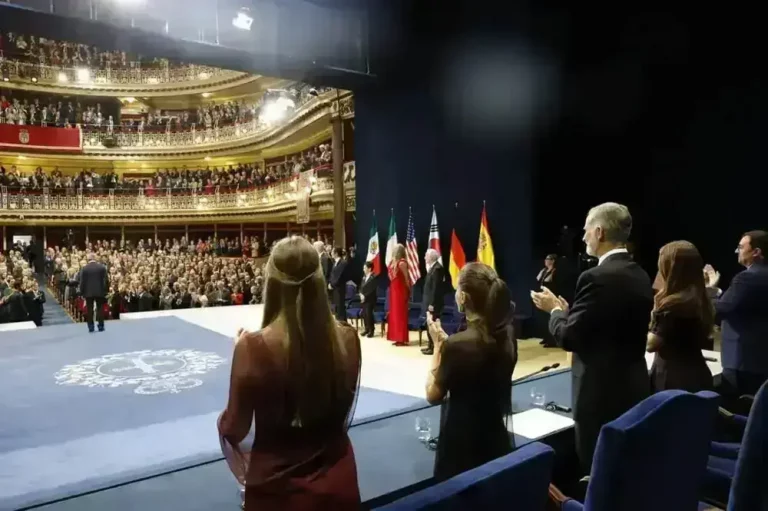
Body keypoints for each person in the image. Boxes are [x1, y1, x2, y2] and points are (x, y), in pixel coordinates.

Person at [218, 236, 362, 511]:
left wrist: (243, 361)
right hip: (338, 487)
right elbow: (337, 416)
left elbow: (234, 429)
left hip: (277, 494)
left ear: (271, 283)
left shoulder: (252, 349)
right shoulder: (348, 339)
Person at [531, 202, 653, 473]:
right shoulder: (640, 274)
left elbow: (570, 338)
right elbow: (606, 325)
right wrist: (568, 313)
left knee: (597, 473)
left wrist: (554, 311)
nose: (583, 237)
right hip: (633, 389)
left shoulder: (595, 277)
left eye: (586, 230)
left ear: (599, 232)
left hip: (599, 398)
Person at [425, 262, 517, 481]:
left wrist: (438, 347)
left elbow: (432, 394)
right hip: (494, 435)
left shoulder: (457, 346)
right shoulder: (508, 335)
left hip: (463, 444)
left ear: (463, 298)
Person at [705, 230, 768, 400]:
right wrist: (716, 290)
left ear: (756, 252)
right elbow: (740, 303)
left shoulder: (746, 278)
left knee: (734, 411)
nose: (736, 251)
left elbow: (722, 308)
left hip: (741, 363)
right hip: (760, 360)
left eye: (740, 247)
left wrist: (704, 293)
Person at [646, 241, 713, 393]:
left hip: (672, 381)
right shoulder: (700, 299)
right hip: (698, 375)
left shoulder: (672, 305)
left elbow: (651, 344)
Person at [421, 248, 446, 355]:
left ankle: (434, 347)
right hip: (429, 302)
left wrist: (432, 303)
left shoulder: (437, 269)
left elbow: (436, 289)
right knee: (429, 325)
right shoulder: (432, 268)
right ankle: (430, 345)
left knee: (433, 325)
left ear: (431, 257)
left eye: (426, 255)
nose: (424, 257)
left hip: (434, 303)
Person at [78, 252, 109, 333]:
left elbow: (82, 282)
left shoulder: (84, 268)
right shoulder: (101, 267)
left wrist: (81, 292)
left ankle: (91, 327)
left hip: (88, 292)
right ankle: (101, 326)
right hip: (100, 291)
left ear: (88, 259)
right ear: (95, 258)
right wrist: (106, 290)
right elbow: (106, 280)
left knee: (89, 309)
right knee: (100, 309)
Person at [386, 244, 410, 346]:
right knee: (394, 314)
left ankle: (401, 338)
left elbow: (406, 278)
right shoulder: (393, 262)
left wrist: (408, 290)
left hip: (400, 290)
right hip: (394, 290)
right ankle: (395, 337)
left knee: (400, 315)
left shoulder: (402, 263)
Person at [535, 254, 559, 347]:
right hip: (542, 296)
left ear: (553, 261)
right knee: (543, 319)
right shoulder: (543, 271)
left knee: (550, 319)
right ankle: (545, 337)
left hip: (550, 297)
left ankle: (552, 340)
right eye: (545, 259)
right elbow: (538, 280)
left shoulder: (555, 271)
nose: (545, 261)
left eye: (548, 259)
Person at [329, 247, 348, 321]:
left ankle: (342, 322)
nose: (331, 253)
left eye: (332, 252)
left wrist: (332, 284)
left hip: (340, 288)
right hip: (335, 288)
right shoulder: (335, 263)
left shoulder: (343, 263)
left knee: (340, 307)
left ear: (336, 253)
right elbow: (332, 275)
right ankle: (340, 321)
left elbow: (339, 276)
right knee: (337, 307)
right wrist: (330, 283)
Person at [359, 261, 378, 337]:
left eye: (365, 268)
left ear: (369, 269)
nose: (363, 269)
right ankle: (366, 329)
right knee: (364, 314)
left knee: (369, 314)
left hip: (370, 299)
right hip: (363, 299)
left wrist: (364, 296)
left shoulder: (373, 277)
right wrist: (360, 294)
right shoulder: (364, 277)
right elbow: (361, 287)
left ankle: (371, 330)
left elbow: (371, 289)